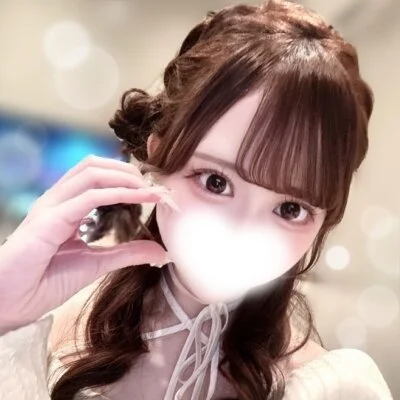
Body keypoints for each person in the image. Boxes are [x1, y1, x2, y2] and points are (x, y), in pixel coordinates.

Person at [0, 1, 394, 399]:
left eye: (291, 209)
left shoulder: (332, 389)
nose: (242, 233)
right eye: (215, 182)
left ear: (324, 220)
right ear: (157, 155)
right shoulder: (46, 325)